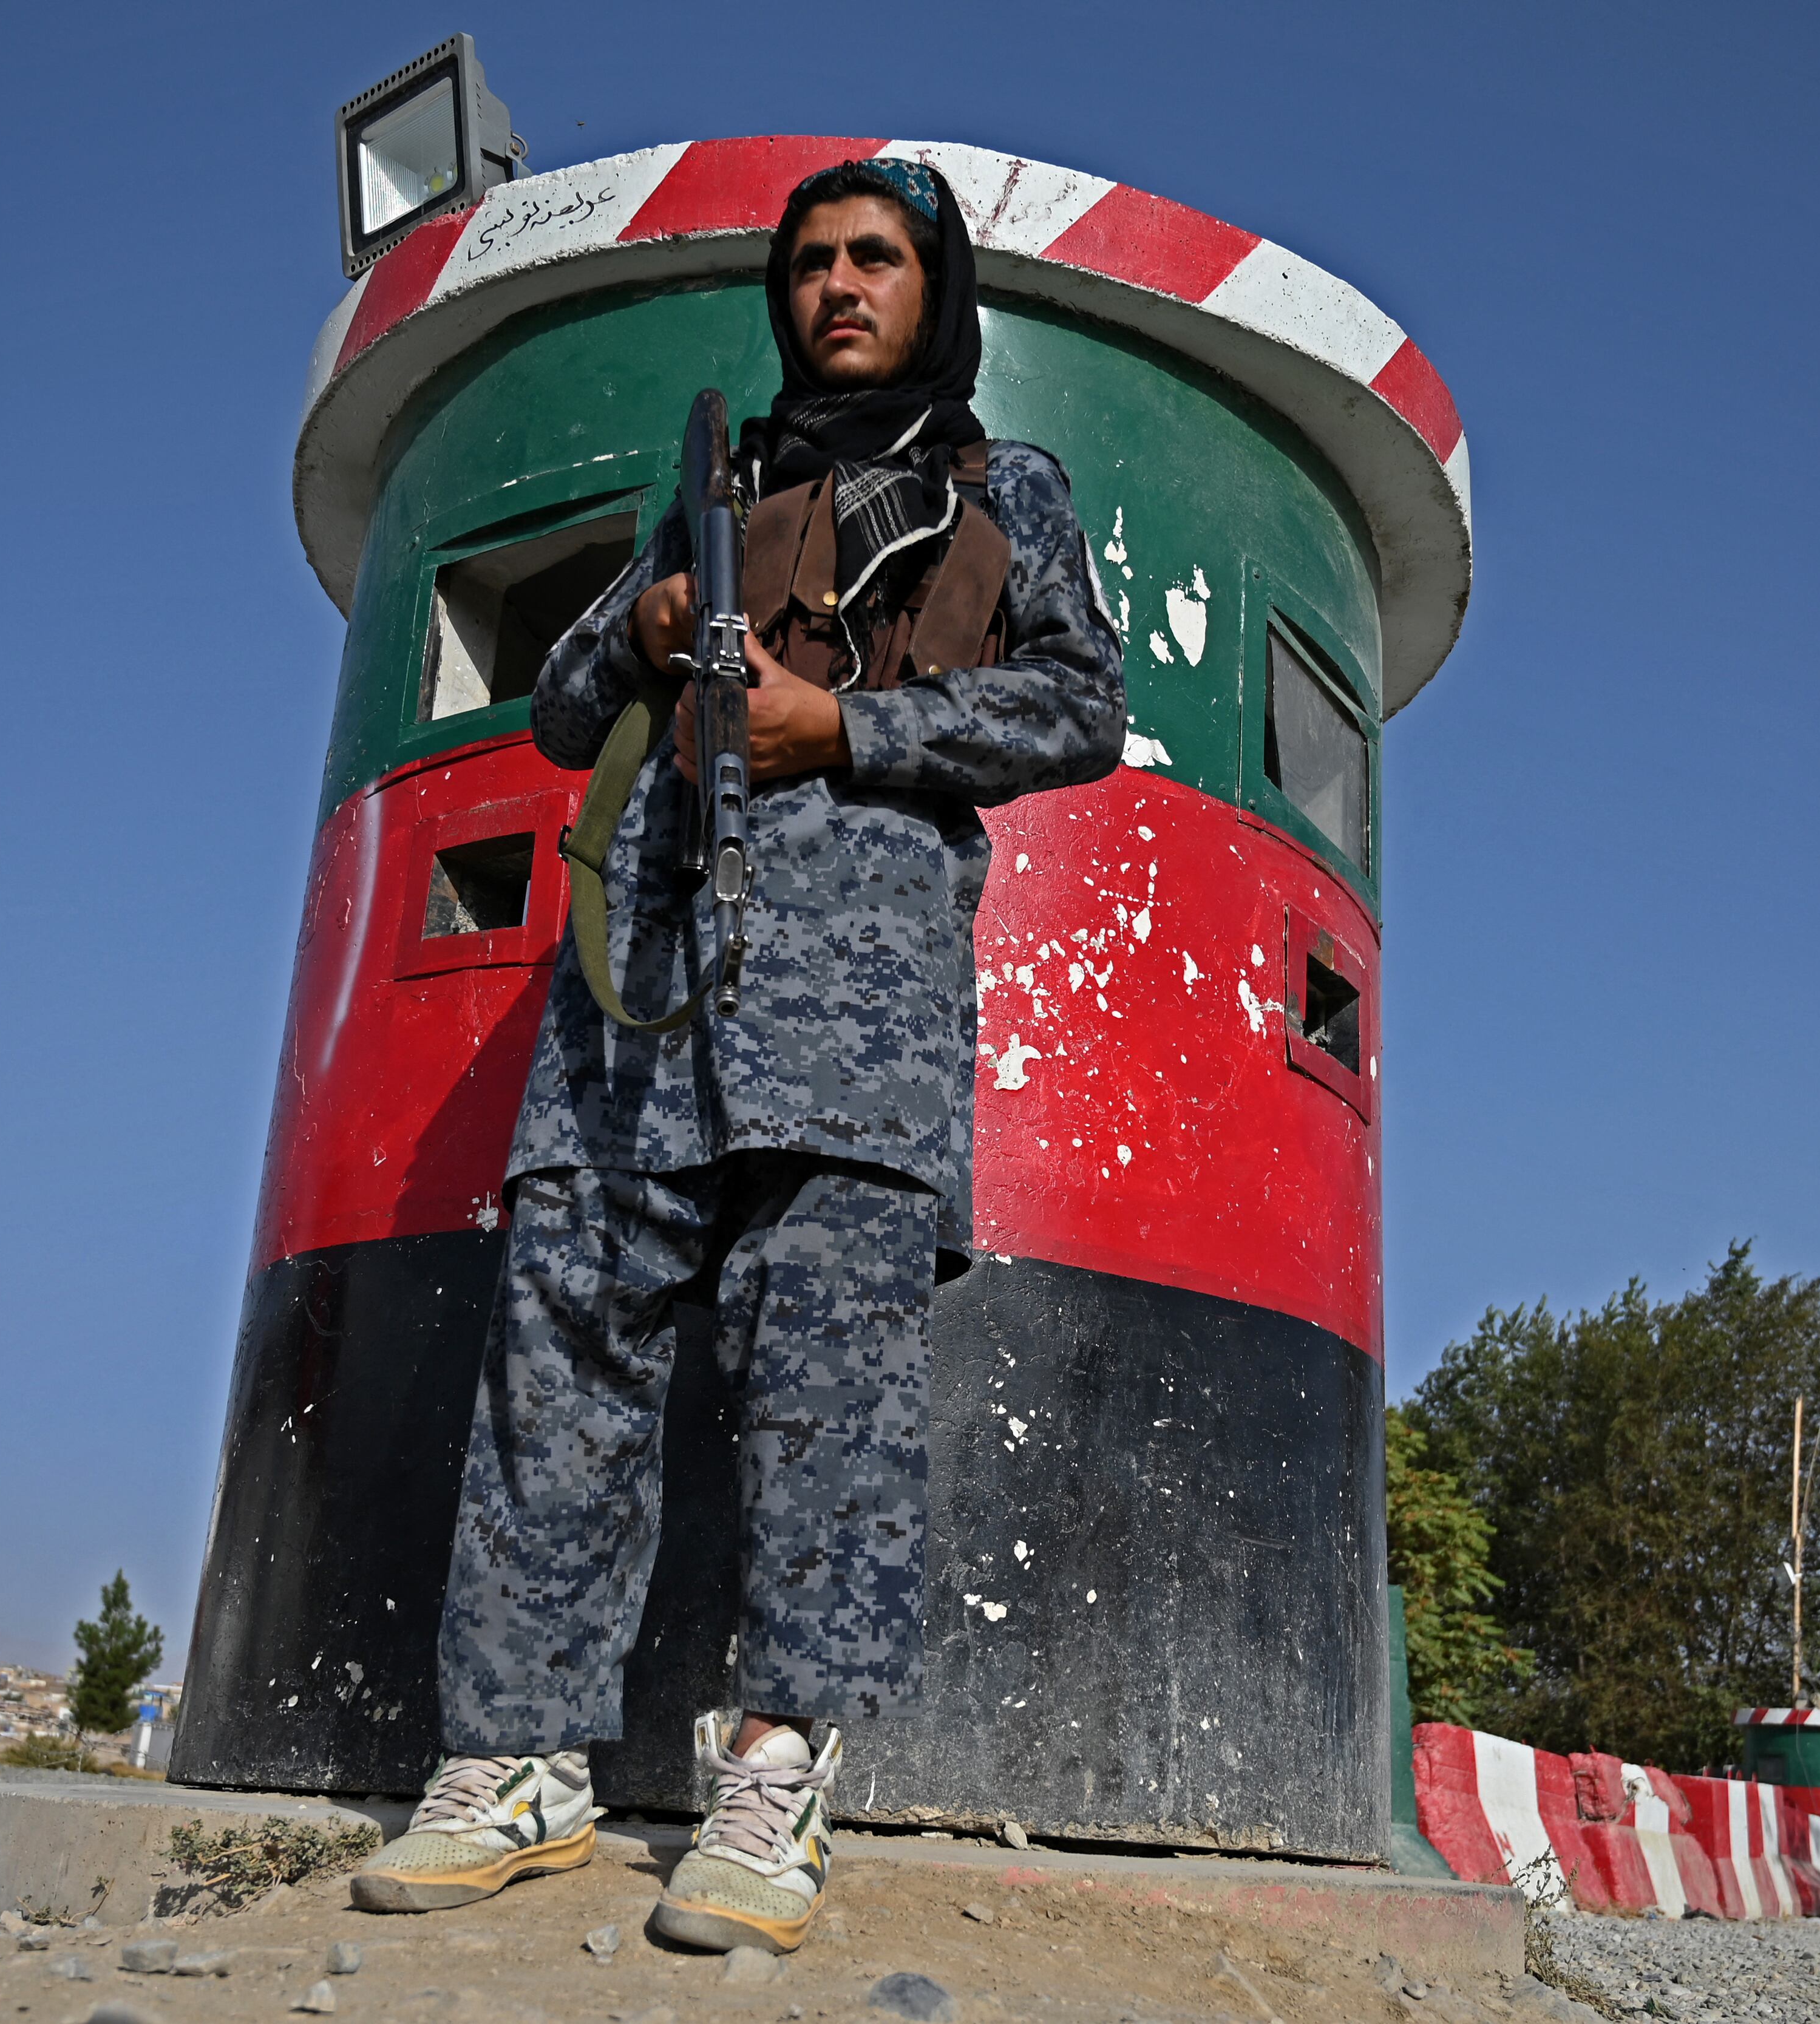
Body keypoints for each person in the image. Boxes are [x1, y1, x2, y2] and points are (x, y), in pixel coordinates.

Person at [344, 156, 1125, 1954]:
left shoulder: (1003, 488)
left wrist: (838, 723)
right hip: (640, 1013)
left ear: (934, 287)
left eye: (875, 258)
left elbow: (1081, 704)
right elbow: (553, 716)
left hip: (854, 1029)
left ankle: (777, 1782)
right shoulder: (720, 489)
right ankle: (521, 1765)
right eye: (813, 262)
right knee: (558, 1364)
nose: (839, 285)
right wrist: (642, 625)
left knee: (825, 1410)